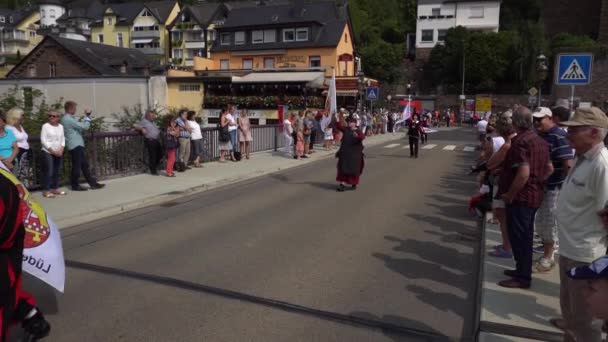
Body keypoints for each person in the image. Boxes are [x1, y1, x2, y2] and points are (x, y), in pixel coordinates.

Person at [551, 107, 608, 341]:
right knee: (571, 311)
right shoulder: (582, 159)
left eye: (575, 130)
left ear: (594, 132)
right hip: (569, 248)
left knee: (586, 321)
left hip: (586, 255)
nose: (567, 134)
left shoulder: (602, 165)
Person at [497, 106, 551, 289]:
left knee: (520, 237)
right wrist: (539, 183)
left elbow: (523, 173)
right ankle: (521, 270)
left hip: (521, 198)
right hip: (534, 195)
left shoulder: (521, 141)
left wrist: (510, 194)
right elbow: (549, 168)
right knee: (524, 235)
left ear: (515, 122)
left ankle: (522, 277)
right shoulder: (540, 140)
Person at [0, 170, 51, 342]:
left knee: (7, 298)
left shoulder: (3, 188)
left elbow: (7, 234)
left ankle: (32, 317)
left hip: (5, 260)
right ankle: (32, 316)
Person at [531, 107, 574, 273]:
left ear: (550, 118)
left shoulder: (558, 136)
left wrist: (567, 189)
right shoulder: (541, 135)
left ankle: (549, 257)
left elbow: (567, 164)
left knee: (550, 222)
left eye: (540, 119)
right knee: (542, 221)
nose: (536, 123)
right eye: (535, 119)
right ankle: (547, 254)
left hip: (555, 186)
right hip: (543, 185)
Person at [487, 112, 516, 259]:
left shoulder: (508, 144)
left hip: (504, 184)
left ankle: (507, 247)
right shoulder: (514, 142)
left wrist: (496, 167)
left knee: (502, 215)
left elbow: (490, 164)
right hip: (507, 182)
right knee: (503, 216)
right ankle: (507, 245)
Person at [60, 101, 104, 191]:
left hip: (77, 144)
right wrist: (87, 116)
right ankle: (75, 185)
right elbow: (84, 127)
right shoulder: (67, 119)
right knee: (77, 166)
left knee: (84, 165)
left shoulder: (70, 118)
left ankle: (92, 183)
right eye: (75, 108)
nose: (76, 110)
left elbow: (80, 126)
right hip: (74, 145)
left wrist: (86, 118)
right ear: (71, 108)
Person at [335, 114, 365, 192]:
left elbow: (362, 137)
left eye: (351, 122)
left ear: (354, 123)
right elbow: (339, 127)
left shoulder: (358, 131)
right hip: (345, 153)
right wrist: (337, 119)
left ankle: (353, 183)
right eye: (349, 122)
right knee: (343, 169)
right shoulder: (346, 130)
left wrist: (357, 136)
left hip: (355, 155)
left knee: (353, 170)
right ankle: (342, 185)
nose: (349, 123)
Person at [40, 111, 66, 198]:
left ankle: (55, 188)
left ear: (58, 118)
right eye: (49, 116)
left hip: (59, 151)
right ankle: (46, 190)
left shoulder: (61, 127)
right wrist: (52, 151)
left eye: (54, 116)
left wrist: (61, 149)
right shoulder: (45, 126)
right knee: (49, 171)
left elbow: (62, 139)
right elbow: (43, 140)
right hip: (48, 151)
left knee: (57, 171)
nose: (51, 117)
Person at [133, 109, 161, 175]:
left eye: (153, 115)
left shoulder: (153, 122)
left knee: (160, 154)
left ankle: (153, 166)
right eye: (151, 116)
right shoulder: (144, 121)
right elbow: (134, 125)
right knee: (153, 156)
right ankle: (153, 170)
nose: (153, 117)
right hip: (150, 140)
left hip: (156, 140)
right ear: (147, 116)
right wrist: (142, 129)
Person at [7, 108, 30, 183]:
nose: (23, 117)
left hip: (24, 152)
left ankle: (23, 190)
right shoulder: (9, 128)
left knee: (24, 173)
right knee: (17, 173)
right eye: (22, 115)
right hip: (17, 153)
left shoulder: (20, 127)